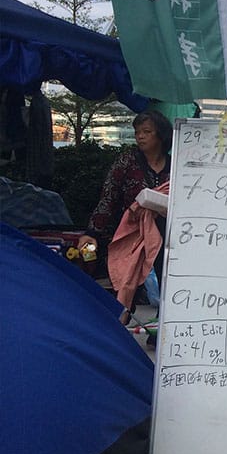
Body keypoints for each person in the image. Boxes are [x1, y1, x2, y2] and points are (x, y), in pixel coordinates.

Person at [78, 110, 172, 338]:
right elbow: (109, 197)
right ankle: (116, 333)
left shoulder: (174, 164)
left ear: (161, 135)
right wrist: (92, 231)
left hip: (166, 234)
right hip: (130, 232)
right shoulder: (127, 161)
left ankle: (161, 334)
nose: (140, 136)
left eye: (147, 131)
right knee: (125, 283)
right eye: (137, 132)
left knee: (168, 284)